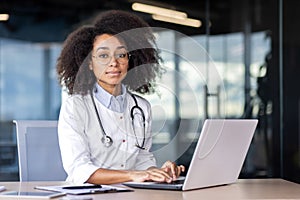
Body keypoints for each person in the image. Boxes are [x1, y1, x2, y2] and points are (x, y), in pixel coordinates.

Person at [56, 10, 185, 185]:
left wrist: (158, 172)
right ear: (89, 63)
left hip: (130, 193)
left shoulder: (141, 106)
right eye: (103, 55)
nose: (113, 63)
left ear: (130, 60)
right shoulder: (75, 106)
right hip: (86, 195)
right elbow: (79, 169)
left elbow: (142, 160)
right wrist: (132, 175)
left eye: (121, 54)